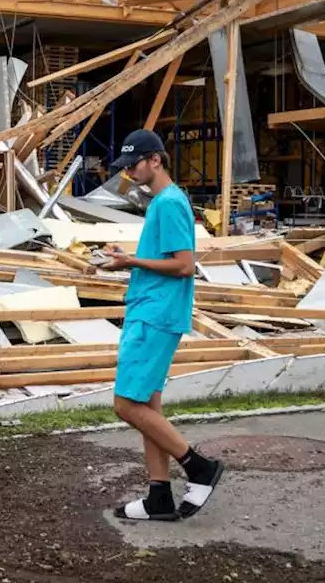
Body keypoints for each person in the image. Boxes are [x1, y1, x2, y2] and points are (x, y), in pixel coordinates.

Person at [102, 129, 225, 522]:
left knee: (125, 404)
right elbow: (169, 258)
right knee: (146, 406)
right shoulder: (164, 202)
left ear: (155, 160)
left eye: (134, 164)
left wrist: (131, 263)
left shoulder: (168, 203)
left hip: (154, 315)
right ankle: (159, 495)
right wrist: (129, 258)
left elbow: (185, 265)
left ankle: (199, 467)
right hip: (154, 311)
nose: (131, 172)